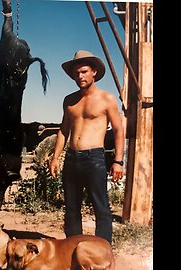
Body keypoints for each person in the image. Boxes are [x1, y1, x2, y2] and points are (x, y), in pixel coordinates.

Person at [49, 50, 124, 244]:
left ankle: (103, 250)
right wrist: (56, 157)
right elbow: (63, 131)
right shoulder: (69, 100)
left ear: (95, 72)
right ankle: (73, 249)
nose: (80, 76)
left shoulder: (107, 99)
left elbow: (118, 130)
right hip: (72, 159)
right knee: (72, 208)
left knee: (101, 208)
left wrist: (118, 161)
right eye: (76, 73)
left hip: (94, 159)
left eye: (83, 72)